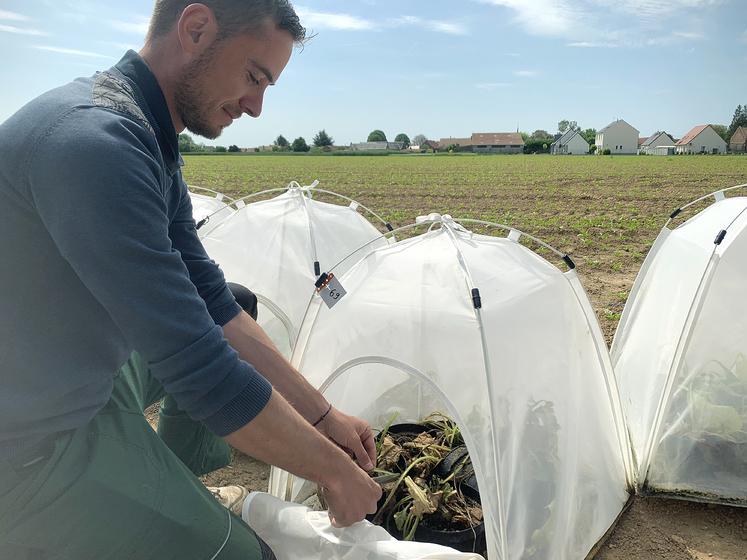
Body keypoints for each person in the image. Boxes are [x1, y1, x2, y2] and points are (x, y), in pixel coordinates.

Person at [0, 1, 382, 558]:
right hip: (30, 445)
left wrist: (324, 417)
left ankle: (178, 481)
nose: (256, 107)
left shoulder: (142, 130)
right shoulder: (92, 144)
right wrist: (334, 474)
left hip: (72, 372)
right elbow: (201, 370)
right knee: (247, 554)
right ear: (196, 28)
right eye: (255, 76)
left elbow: (211, 300)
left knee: (235, 299)